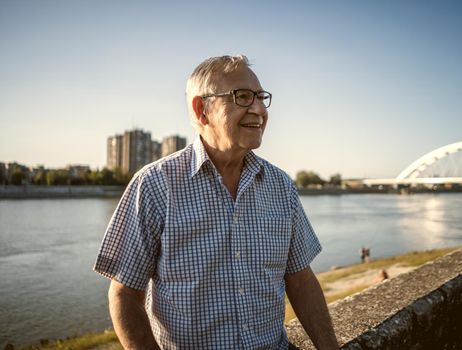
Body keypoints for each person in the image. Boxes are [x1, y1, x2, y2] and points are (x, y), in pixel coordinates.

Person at [94, 55, 338, 349]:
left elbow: (301, 280)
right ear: (202, 110)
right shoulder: (155, 185)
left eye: (261, 97)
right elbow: (124, 295)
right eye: (243, 97)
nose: (259, 109)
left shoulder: (281, 186)